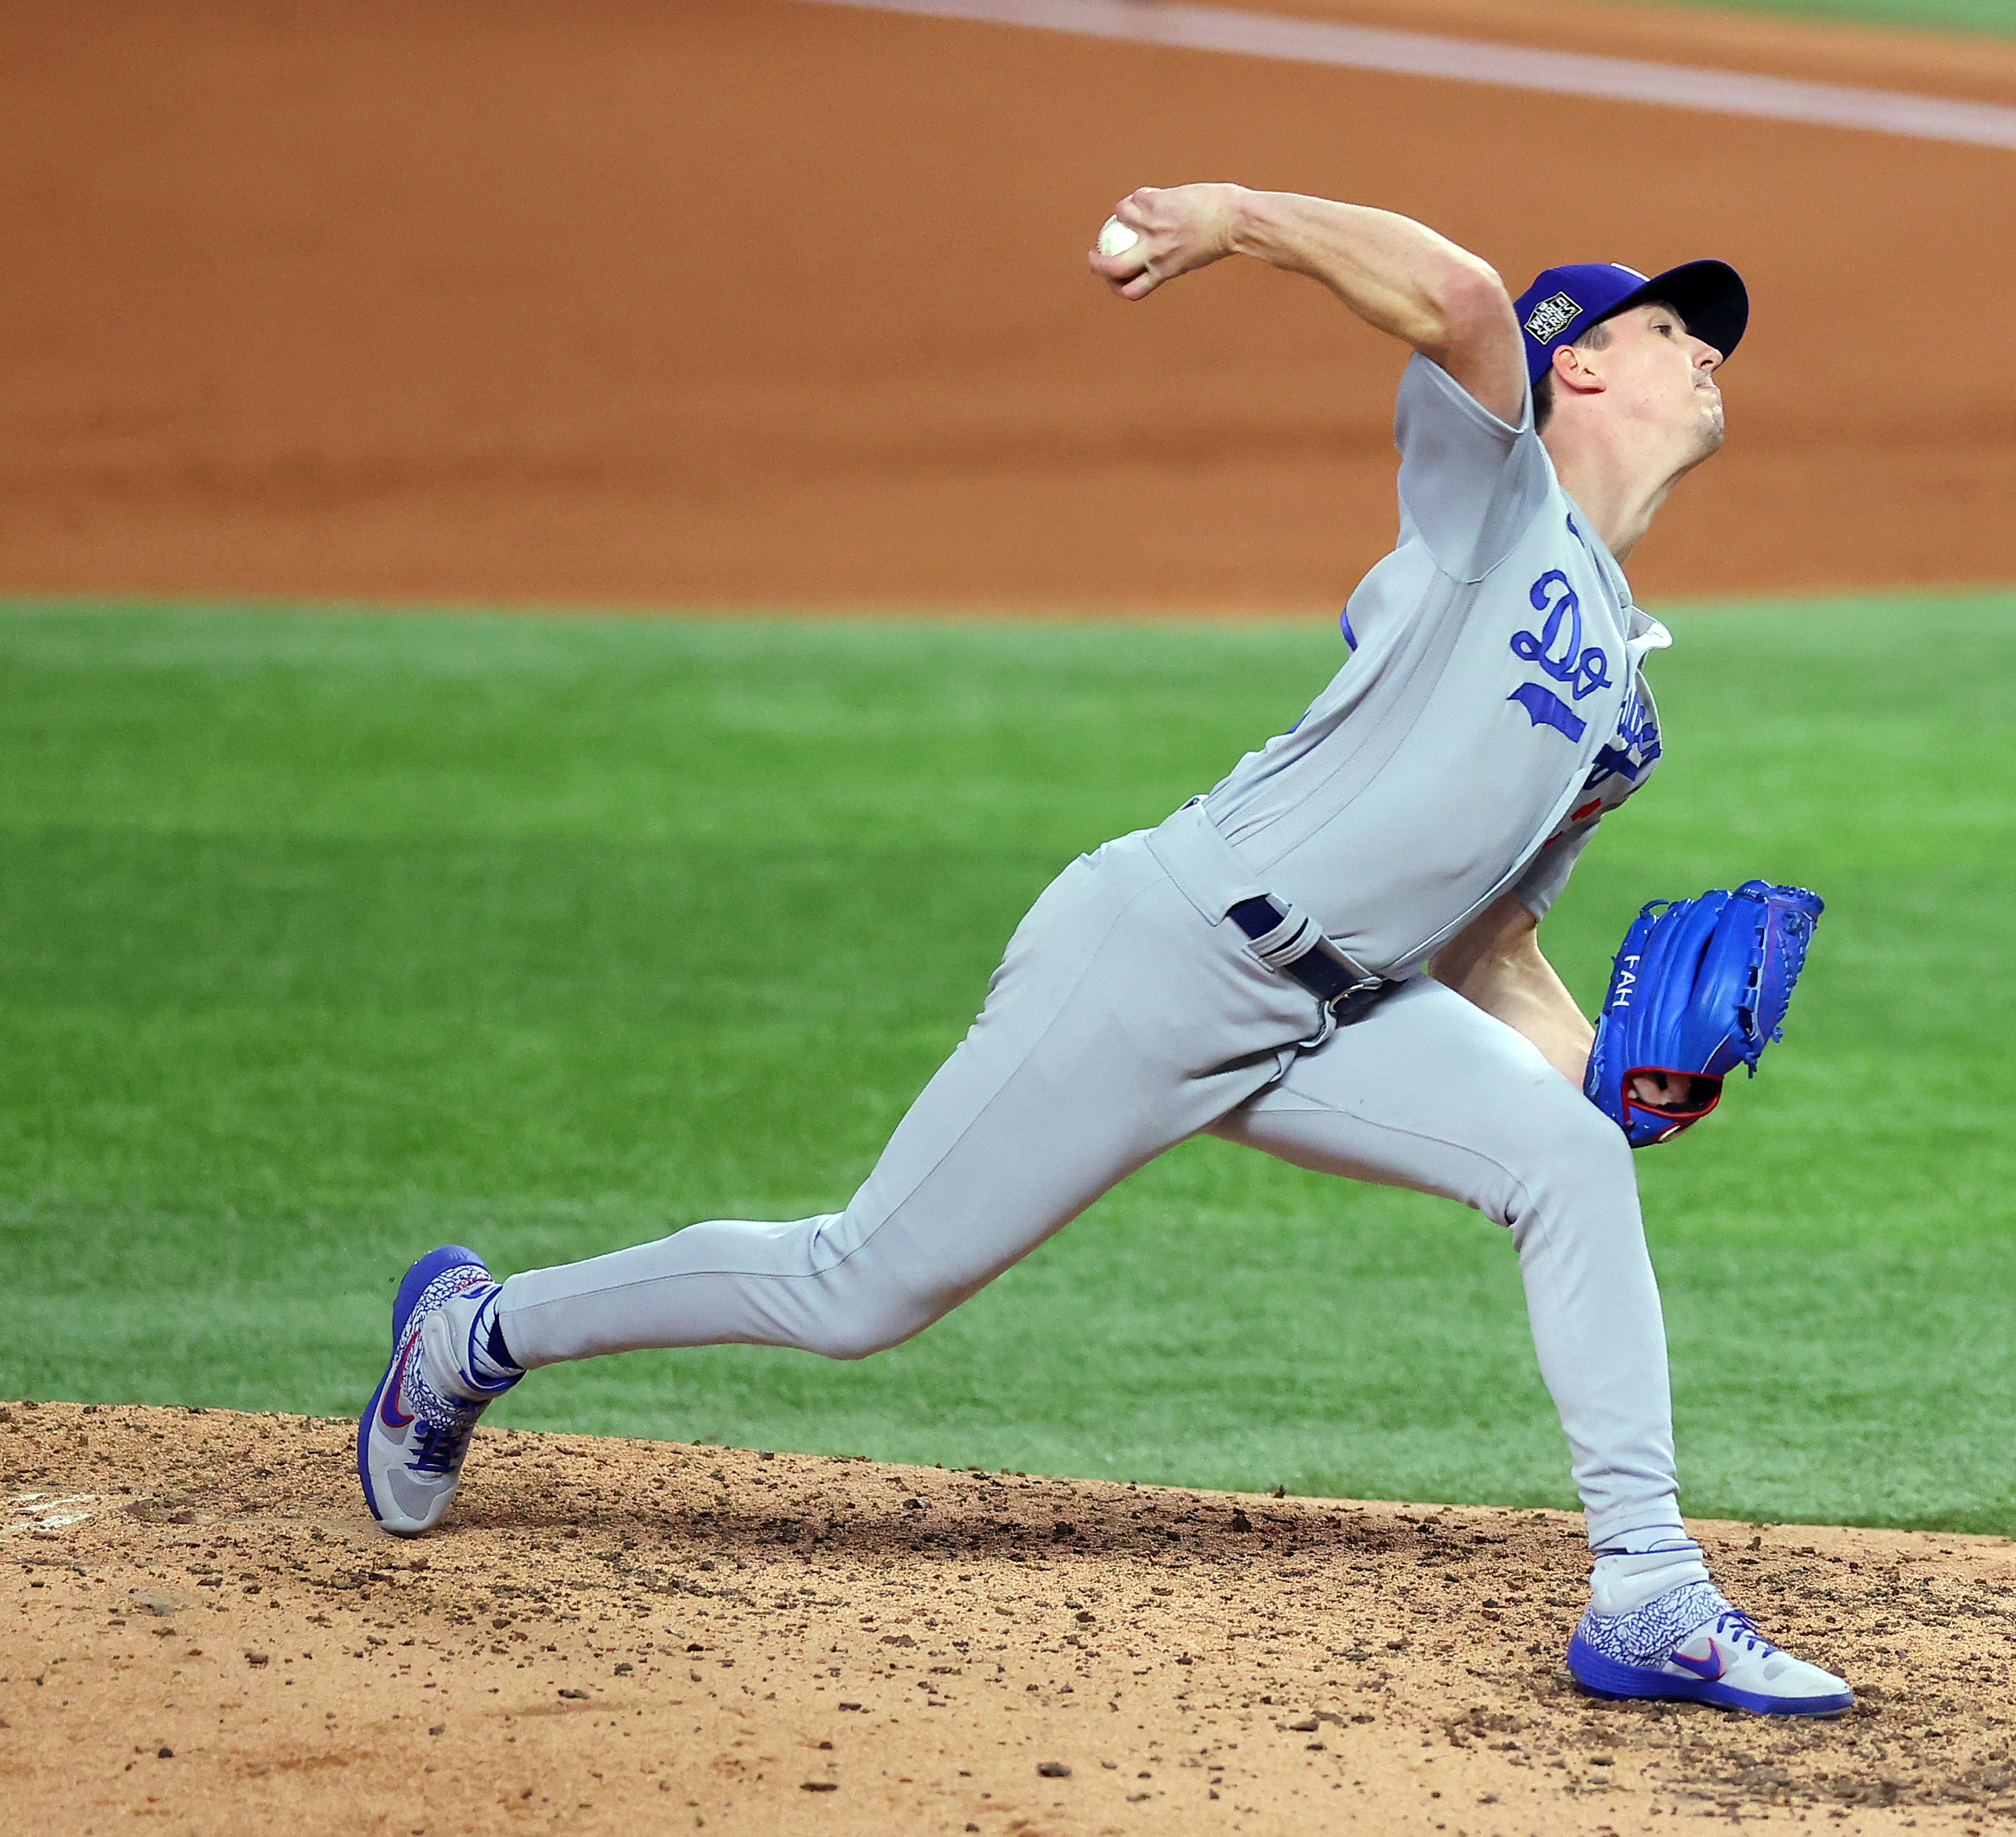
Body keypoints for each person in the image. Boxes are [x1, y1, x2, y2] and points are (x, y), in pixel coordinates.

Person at [356, 185, 1853, 1716]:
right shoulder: (1498, 507)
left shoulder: (1626, 707)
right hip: (1170, 946)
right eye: (1671, 329)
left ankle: (1648, 1592)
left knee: (1571, 1166)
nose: (1708, 355)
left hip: (1343, 1018)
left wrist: (1619, 1081)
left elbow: (1490, 943)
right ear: (1580, 367)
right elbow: (1468, 299)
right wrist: (1234, 214)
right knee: (856, 1290)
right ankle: (472, 1334)